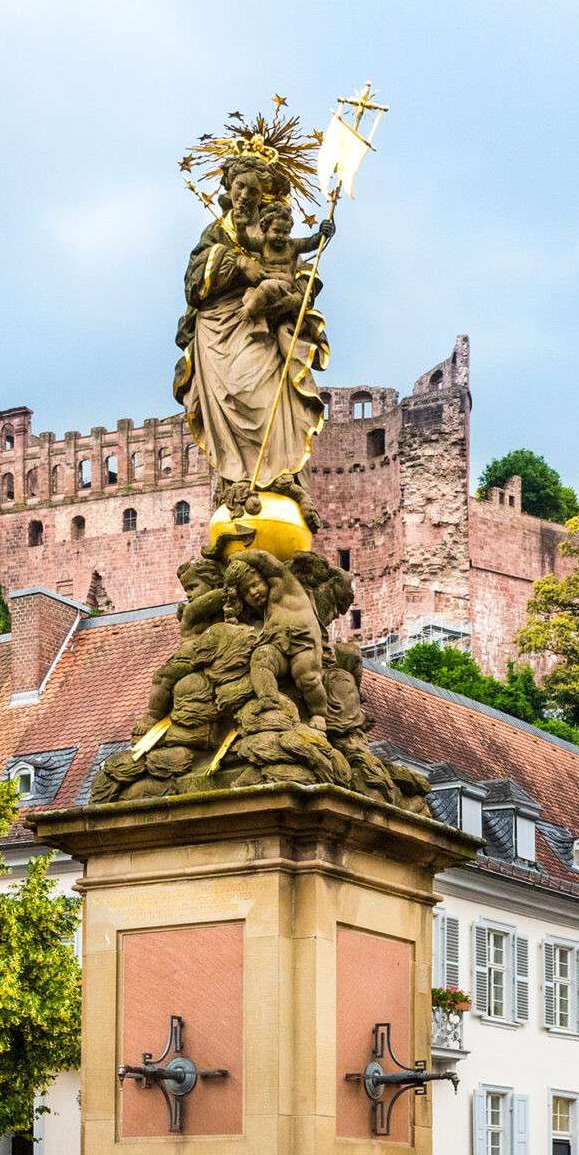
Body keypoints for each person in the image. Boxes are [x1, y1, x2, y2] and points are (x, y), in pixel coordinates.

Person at [173, 156, 334, 496]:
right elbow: (192, 283)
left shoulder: (274, 232)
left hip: (263, 333)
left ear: (263, 197)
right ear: (229, 190)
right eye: (239, 187)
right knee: (232, 397)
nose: (245, 195)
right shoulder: (218, 232)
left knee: (266, 402)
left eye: (254, 191)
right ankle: (237, 480)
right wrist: (240, 262)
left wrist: (295, 295)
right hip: (218, 333)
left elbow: (302, 272)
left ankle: (277, 476)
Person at [223, 548, 329, 731]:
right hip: (280, 646)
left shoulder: (283, 584)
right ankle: (268, 700)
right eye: (247, 592)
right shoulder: (264, 613)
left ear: (263, 577)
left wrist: (236, 557)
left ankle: (319, 713)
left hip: (303, 641)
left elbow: (264, 558)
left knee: (307, 678)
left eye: (255, 584)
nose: (254, 592)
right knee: (261, 658)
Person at [238, 200, 324, 329]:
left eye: (285, 232)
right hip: (263, 288)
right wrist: (240, 228)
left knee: (264, 288)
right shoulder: (263, 243)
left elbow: (310, 243)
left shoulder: (292, 246)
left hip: (283, 288)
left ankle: (248, 311)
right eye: (276, 231)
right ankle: (261, 324)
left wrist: (321, 233)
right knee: (248, 297)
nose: (281, 236)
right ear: (265, 229)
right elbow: (245, 242)